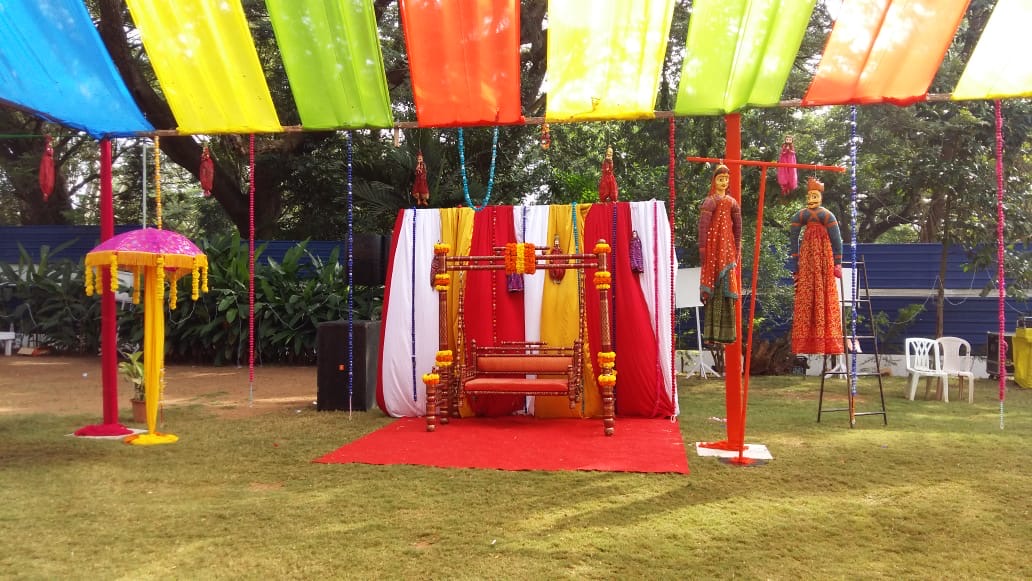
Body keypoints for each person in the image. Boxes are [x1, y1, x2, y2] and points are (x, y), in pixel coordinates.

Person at [789, 177, 844, 354]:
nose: (812, 199)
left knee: (824, 291)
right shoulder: (803, 215)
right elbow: (793, 233)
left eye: (815, 195)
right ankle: (808, 340)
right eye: (810, 195)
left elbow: (836, 239)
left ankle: (824, 339)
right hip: (807, 258)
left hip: (823, 257)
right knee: (806, 293)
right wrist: (795, 257)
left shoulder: (827, 215)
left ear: (820, 196)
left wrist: (837, 262)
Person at [697, 164, 741, 344]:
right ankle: (712, 334)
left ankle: (727, 334)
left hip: (728, 250)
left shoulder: (732, 202)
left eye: (726, 179)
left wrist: (737, 249)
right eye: (720, 179)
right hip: (713, 250)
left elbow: (738, 228)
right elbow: (703, 227)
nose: (724, 182)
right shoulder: (710, 201)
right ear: (714, 181)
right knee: (714, 287)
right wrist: (703, 250)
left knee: (727, 286)